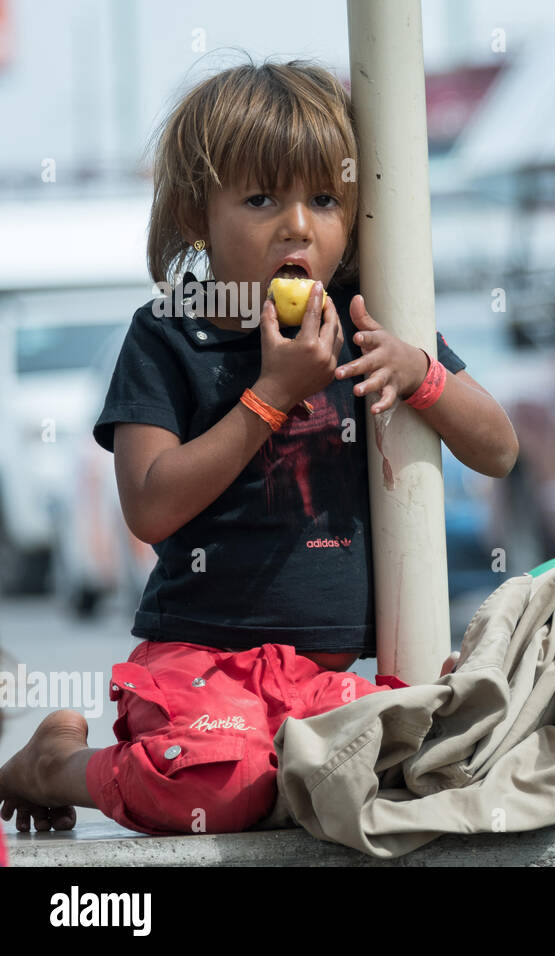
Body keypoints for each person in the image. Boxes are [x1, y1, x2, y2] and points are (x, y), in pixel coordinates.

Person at [0, 59, 517, 836]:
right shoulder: (169, 335)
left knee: (417, 763)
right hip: (200, 664)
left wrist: (420, 373)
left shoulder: (366, 320)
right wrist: (270, 396)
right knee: (217, 787)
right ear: (195, 215)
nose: (297, 225)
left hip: (322, 679)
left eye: (324, 200)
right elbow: (149, 505)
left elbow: (500, 449)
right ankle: (55, 765)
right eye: (261, 199)